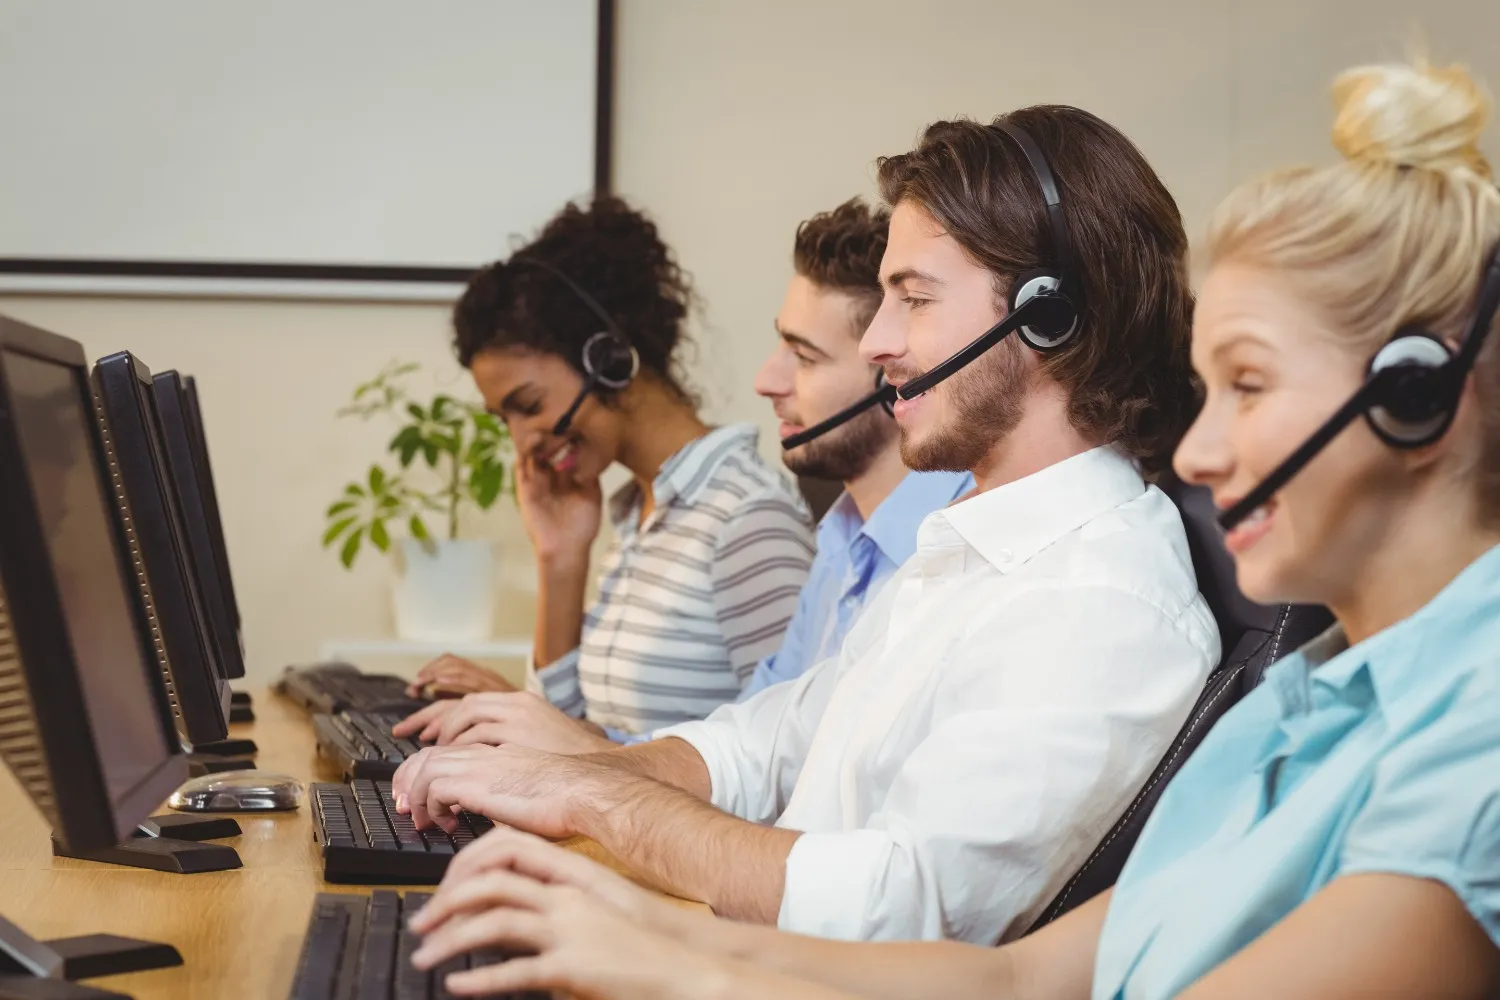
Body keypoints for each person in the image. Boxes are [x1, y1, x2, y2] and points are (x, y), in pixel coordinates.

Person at [406, 58, 1500, 1000]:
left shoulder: (1447, 738)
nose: (1201, 459)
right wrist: (640, 916)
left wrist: (659, 918)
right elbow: (1014, 979)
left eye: (1249, 386)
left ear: (1415, 396)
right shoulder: (1302, 706)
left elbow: (921, 915)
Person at [393, 104, 1218, 944]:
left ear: (1050, 315)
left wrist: (602, 800)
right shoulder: (970, 547)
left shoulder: (1097, 601)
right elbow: (768, 742)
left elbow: (898, 904)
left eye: (915, 299)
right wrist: (570, 773)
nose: (881, 343)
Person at [395, 198, 971, 751]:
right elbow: (751, 747)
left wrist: (546, 738)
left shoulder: (756, 519)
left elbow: (767, 778)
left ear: (608, 360)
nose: (765, 380)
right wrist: (559, 561)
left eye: (528, 404)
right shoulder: (834, 543)